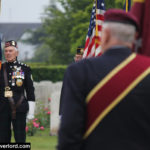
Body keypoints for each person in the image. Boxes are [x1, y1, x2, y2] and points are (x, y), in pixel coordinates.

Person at [58, 9, 150, 150]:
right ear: (134, 37)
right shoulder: (147, 69)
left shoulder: (79, 71)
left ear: (105, 35)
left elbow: (69, 134)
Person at [0, 40, 35, 143]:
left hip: (19, 108)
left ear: (17, 53)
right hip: (2, 109)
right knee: (2, 139)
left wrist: (31, 112)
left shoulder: (25, 69)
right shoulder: (1, 68)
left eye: (10, 50)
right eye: (6, 51)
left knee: (20, 138)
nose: (8, 53)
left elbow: (30, 91)